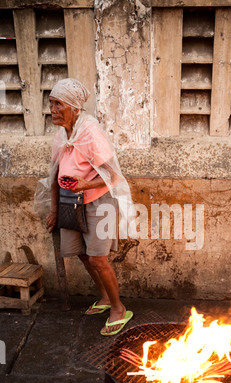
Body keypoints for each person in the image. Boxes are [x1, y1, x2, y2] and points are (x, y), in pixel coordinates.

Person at [44, 78, 133, 336]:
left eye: (59, 104)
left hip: (98, 203)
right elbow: (53, 175)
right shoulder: (61, 135)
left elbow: (113, 176)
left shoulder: (91, 133)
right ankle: (104, 298)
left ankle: (118, 308)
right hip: (69, 202)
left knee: (98, 258)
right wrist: (54, 210)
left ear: (74, 108)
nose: (53, 109)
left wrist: (84, 185)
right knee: (83, 255)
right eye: (51, 103)